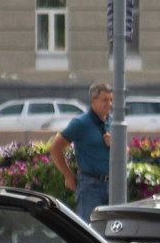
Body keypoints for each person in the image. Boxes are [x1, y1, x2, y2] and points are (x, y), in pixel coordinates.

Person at [49, 82, 117, 222]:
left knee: (114, 229)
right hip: (91, 186)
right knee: (91, 228)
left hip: (113, 184)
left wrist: (116, 144)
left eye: (111, 100)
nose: (109, 104)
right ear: (93, 101)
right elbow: (55, 147)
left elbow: (125, 154)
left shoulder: (113, 122)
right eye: (105, 100)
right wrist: (68, 176)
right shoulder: (81, 123)